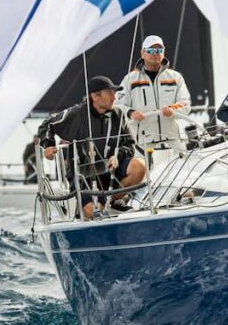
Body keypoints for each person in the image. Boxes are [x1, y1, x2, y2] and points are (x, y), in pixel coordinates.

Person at [38, 75, 147, 219]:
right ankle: (93, 206)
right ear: (95, 96)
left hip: (111, 170)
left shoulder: (118, 114)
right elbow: (47, 124)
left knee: (140, 166)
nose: (114, 97)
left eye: (114, 93)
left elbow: (130, 144)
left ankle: (111, 201)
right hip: (84, 174)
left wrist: (117, 155)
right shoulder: (76, 113)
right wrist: (48, 145)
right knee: (92, 212)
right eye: (109, 93)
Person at [117, 35, 191, 152]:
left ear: (164, 53)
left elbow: (185, 103)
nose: (155, 54)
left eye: (159, 50)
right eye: (151, 50)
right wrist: (131, 113)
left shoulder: (175, 77)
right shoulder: (130, 80)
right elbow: (118, 105)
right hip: (142, 143)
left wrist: (172, 109)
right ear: (142, 53)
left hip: (173, 140)